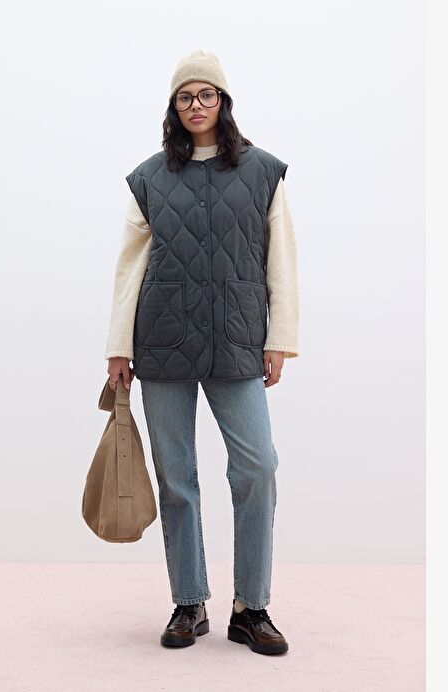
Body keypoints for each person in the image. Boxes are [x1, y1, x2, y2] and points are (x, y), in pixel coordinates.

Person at [103, 50, 299, 656]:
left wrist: (279, 338)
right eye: (185, 97)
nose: (196, 105)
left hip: (238, 341)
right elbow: (129, 269)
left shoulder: (263, 171)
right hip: (161, 342)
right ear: (174, 106)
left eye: (206, 94)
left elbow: (280, 258)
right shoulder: (149, 178)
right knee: (177, 478)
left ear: (223, 102)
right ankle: (189, 602)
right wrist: (118, 349)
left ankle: (251, 607)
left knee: (257, 468)